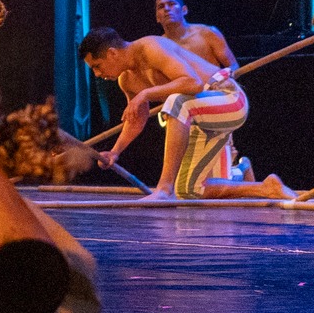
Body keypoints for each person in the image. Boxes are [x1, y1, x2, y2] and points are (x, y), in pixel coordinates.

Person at [76, 28, 294, 201]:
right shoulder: (127, 80)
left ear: (112, 53)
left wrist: (145, 94)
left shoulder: (151, 47)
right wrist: (115, 152)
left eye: (97, 66)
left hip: (229, 100)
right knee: (190, 190)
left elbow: (193, 83)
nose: (97, 74)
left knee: (176, 101)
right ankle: (265, 187)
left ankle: (163, 188)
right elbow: (137, 119)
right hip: (202, 119)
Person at [154, 0, 237, 70]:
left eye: (171, 4)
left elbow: (233, 66)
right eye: (161, 7)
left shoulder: (207, 33)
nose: (166, 9)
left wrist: (223, 80)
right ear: (157, 17)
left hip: (215, 82)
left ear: (184, 10)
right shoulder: (159, 47)